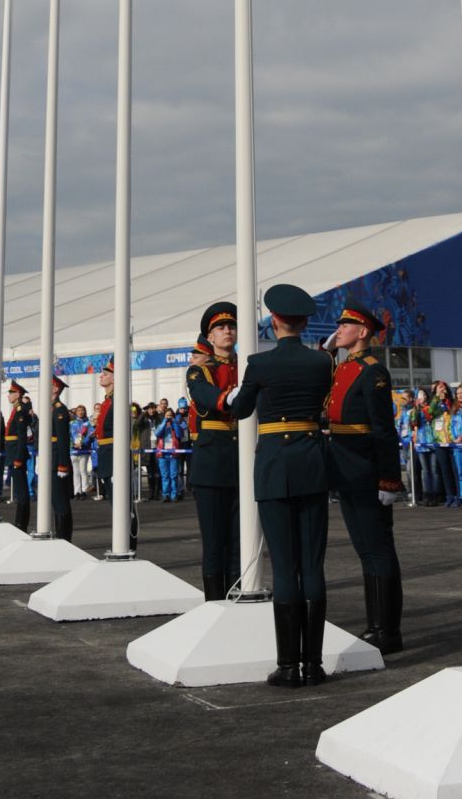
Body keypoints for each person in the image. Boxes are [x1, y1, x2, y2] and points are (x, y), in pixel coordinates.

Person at [224, 283, 333, 689]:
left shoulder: (259, 363)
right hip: (310, 461)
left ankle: (288, 666)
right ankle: (314, 664)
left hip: (273, 465)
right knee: (313, 564)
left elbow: (240, 410)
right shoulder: (321, 363)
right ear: (304, 323)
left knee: (285, 566)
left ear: (274, 322)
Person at [322, 302, 405, 654]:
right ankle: (375, 625)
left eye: (346, 325)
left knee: (378, 550)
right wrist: (326, 353)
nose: (338, 330)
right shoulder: (341, 368)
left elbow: (384, 431)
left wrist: (388, 479)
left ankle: (388, 629)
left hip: (366, 470)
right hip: (346, 469)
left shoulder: (373, 372)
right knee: (364, 550)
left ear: (363, 332)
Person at [186, 299, 241, 600]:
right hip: (211, 464)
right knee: (214, 541)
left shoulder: (246, 367)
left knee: (238, 541)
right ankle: (214, 602)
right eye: (220, 327)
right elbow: (207, 398)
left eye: (231, 326)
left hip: (241, 462)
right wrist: (233, 398)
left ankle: (236, 596)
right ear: (210, 337)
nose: (227, 331)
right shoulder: (199, 372)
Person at [94, 359, 138, 550]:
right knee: (115, 504)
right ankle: (121, 544)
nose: (101, 376)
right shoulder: (107, 401)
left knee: (123, 507)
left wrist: (117, 463)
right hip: (107, 455)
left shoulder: (117, 401)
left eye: (105, 373)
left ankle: (128, 545)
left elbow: (123, 432)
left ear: (114, 378)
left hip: (114, 456)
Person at [4, 381, 35, 532]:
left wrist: (18, 457)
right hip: (13, 451)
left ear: (18, 394)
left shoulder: (20, 410)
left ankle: (21, 523)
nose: (8, 395)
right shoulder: (16, 409)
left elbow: (22, 436)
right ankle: (19, 522)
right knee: (19, 489)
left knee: (22, 491)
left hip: (17, 452)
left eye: (11, 392)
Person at [47, 375, 74, 541]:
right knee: (56, 501)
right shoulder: (51, 408)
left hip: (57, 460)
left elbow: (63, 439)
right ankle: (60, 536)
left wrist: (63, 465)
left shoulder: (59, 409)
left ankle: (64, 538)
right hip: (51, 457)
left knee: (60, 501)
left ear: (55, 389)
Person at [70, 406, 94, 497]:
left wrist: (83, 443)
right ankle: (77, 491)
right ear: (76, 412)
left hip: (84, 450)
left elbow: (91, 435)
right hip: (73, 450)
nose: (81, 412)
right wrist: (73, 444)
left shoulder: (88, 423)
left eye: (82, 410)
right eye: (79, 410)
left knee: (83, 471)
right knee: (75, 472)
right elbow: (69, 436)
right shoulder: (71, 423)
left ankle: (84, 490)